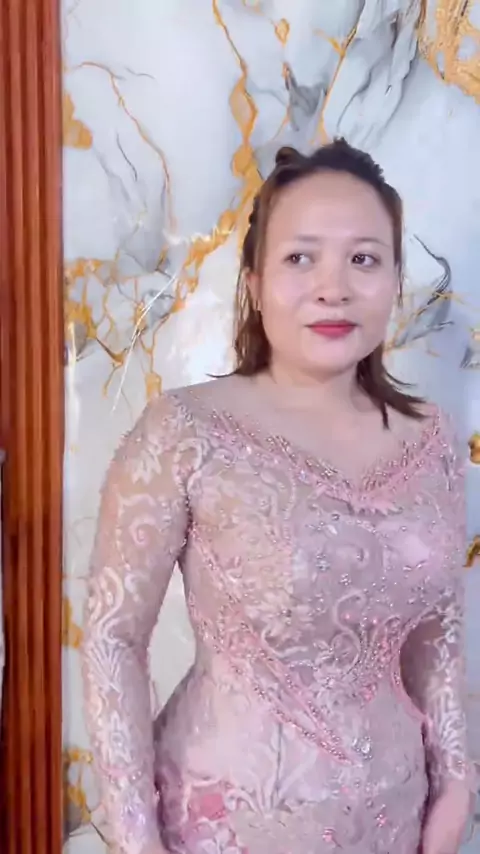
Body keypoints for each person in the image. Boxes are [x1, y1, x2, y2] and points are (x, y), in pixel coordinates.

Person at [82, 140, 475, 854]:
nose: (333, 288)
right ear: (256, 283)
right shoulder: (186, 430)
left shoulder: (433, 438)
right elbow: (114, 638)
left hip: (398, 819)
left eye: (363, 259)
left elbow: (435, 631)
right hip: (226, 824)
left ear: (395, 280)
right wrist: (136, 839)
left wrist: (457, 786)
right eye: (301, 258)